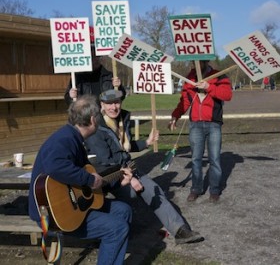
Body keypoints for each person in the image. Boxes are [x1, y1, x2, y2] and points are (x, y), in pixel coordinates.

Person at [85, 89, 204, 245]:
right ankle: (108, 232)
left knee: (155, 191)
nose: (113, 107)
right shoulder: (97, 128)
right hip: (106, 175)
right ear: (102, 105)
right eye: (109, 104)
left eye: (116, 103)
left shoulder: (122, 119)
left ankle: (180, 231)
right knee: (131, 195)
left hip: (126, 168)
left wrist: (146, 143)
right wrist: (130, 178)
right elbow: (106, 161)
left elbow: (123, 147)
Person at [28, 95, 133, 265]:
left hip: (75, 206)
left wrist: (117, 180)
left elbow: (89, 184)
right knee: (117, 228)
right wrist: (89, 179)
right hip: (54, 214)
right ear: (92, 119)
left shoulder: (73, 138)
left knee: (123, 210)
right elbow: (56, 166)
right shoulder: (64, 139)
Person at [168, 60, 232, 203]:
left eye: (200, 61)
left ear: (207, 60)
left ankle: (214, 190)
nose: (196, 63)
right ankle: (196, 189)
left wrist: (209, 86)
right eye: (193, 61)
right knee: (196, 159)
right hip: (195, 124)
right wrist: (175, 116)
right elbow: (184, 101)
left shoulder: (219, 76)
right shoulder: (188, 79)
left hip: (214, 124)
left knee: (214, 159)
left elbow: (227, 95)